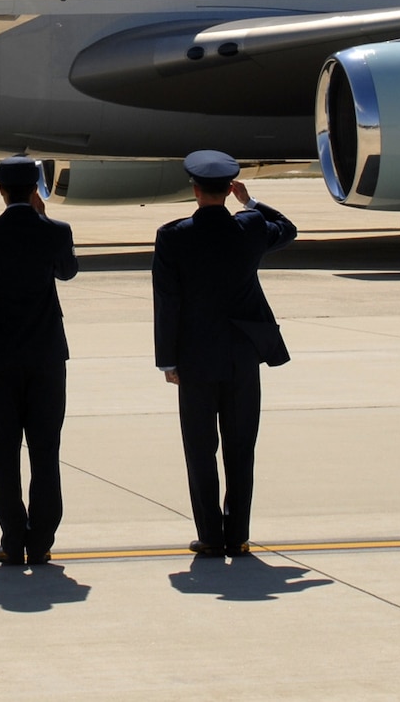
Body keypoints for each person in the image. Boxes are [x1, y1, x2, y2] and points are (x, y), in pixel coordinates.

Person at [152, 150, 296, 558]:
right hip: (241, 354)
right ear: (227, 188)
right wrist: (249, 202)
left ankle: (211, 536)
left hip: (195, 357)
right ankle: (239, 534)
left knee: (200, 449)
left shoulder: (173, 235)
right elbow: (287, 228)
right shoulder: (249, 228)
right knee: (240, 447)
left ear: (195, 190)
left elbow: (167, 300)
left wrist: (168, 360)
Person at [0, 157, 78, 565]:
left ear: (1, 191)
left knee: (4, 451)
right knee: (46, 449)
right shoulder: (56, 232)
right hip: (46, 358)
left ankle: (12, 538)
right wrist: (45, 220)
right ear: (35, 191)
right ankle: (41, 538)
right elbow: (68, 271)